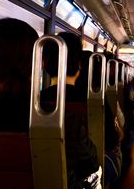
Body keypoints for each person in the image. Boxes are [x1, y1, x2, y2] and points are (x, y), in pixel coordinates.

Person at [41, 32, 101, 189]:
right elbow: (94, 161)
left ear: (43, 64)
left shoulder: (35, 103)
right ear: (79, 66)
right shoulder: (93, 101)